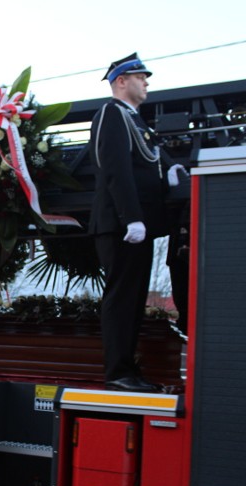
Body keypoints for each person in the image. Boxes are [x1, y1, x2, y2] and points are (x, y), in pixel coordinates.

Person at [88, 53, 177, 393]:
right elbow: (114, 168)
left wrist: (169, 169)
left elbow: (148, 160)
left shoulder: (135, 120)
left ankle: (128, 369)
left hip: (135, 228)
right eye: (140, 76)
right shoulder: (112, 113)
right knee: (122, 299)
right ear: (120, 81)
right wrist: (132, 217)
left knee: (133, 301)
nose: (146, 82)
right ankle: (118, 372)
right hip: (121, 225)